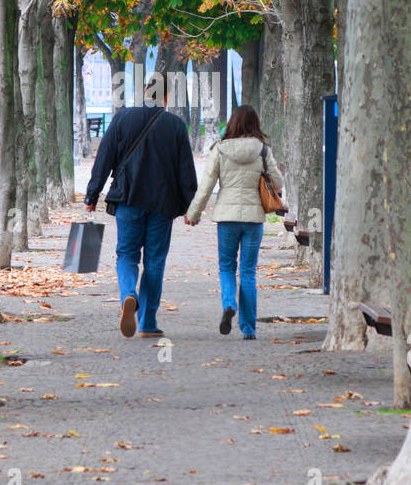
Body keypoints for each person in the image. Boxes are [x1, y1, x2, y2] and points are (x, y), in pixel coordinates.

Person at [85, 74, 197, 339]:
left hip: (128, 200)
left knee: (126, 255)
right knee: (155, 261)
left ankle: (128, 295)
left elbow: (104, 158)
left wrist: (92, 194)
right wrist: (191, 207)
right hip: (162, 203)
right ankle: (147, 323)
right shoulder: (176, 125)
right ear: (167, 97)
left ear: (146, 91)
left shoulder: (123, 118)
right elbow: (186, 172)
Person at [184, 104, 284, 340]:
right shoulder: (262, 150)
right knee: (248, 272)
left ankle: (230, 303)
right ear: (255, 123)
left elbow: (207, 186)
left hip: (227, 218)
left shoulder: (219, 149)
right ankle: (248, 328)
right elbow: (278, 184)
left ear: (232, 123)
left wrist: (193, 214)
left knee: (227, 266)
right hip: (254, 219)